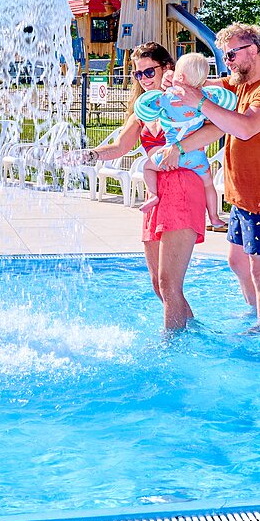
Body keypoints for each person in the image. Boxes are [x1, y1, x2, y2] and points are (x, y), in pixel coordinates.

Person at [170, 23, 260, 321]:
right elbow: (213, 85)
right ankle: (257, 312)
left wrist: (199, 102)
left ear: (253, 50)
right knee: (237, 261)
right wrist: (180, 84)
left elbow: (245, 128)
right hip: (243, 197)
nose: (226, 62)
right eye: (223, 55)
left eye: (230, 55)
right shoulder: (242, 83)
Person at [84, 43, 207, 330]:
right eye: (138, 74)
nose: (144, 79)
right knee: (158, 284)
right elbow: (119, 147)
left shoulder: (183, 101)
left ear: (168, 68)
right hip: (156, 192)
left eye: (149, 71)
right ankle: (194, 335)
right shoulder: (143, 111)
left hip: (182, 186)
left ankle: (172, 350)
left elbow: (212, 121)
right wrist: (87, 155)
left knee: (168, 284)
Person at [136, 52, 233, 229]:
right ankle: (214, 217)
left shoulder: (168, 97)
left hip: (169, 154)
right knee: (208, 184)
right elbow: (226, 100)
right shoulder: (205, 98)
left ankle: (152, 194)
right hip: (197, 157)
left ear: (178, 76)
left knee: (147, 166)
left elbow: (146, 107)